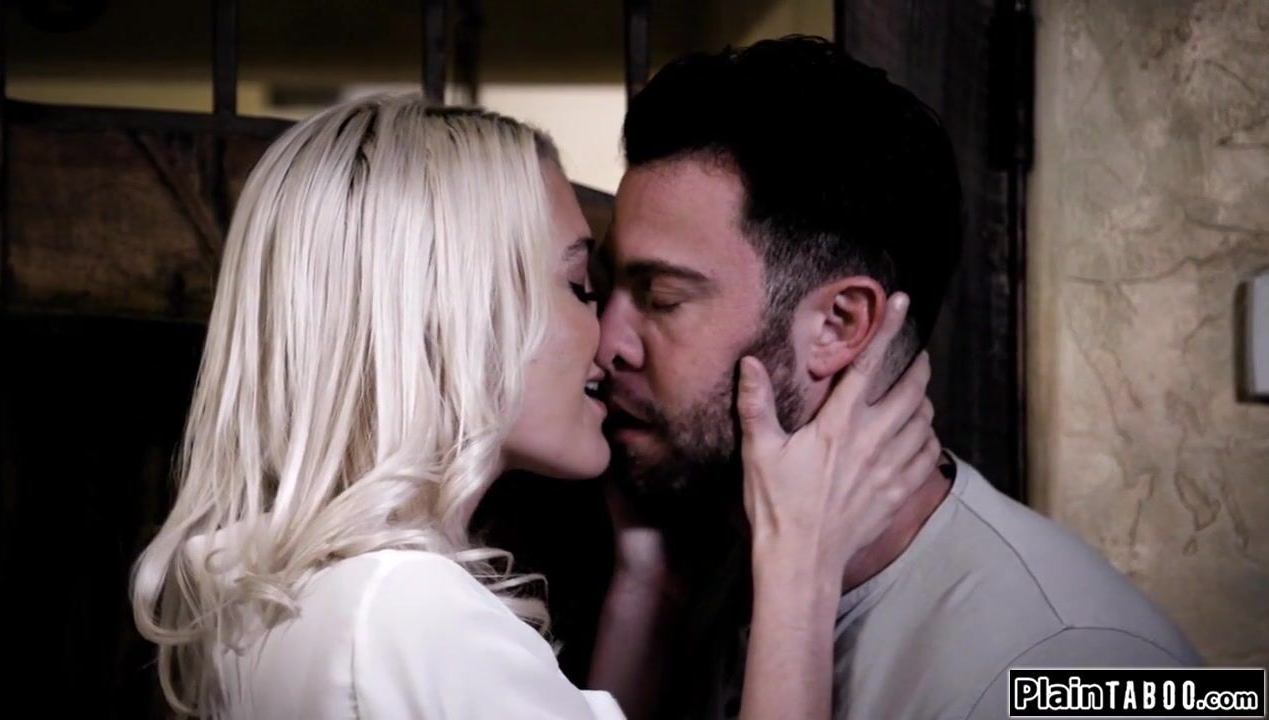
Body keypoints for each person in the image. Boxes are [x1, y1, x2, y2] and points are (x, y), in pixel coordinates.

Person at [130, 93, 937, 719]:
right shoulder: (408, 617)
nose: (609, 337)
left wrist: (643, 584)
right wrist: (800, 567)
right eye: (581, 285)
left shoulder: (268, 594)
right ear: (455, 314)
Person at [591, 36, 1203, 720]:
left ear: (838, 324)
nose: (606, 343)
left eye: (662, 297)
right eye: (604, 286)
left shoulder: (1069, 662)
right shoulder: (709, 570)